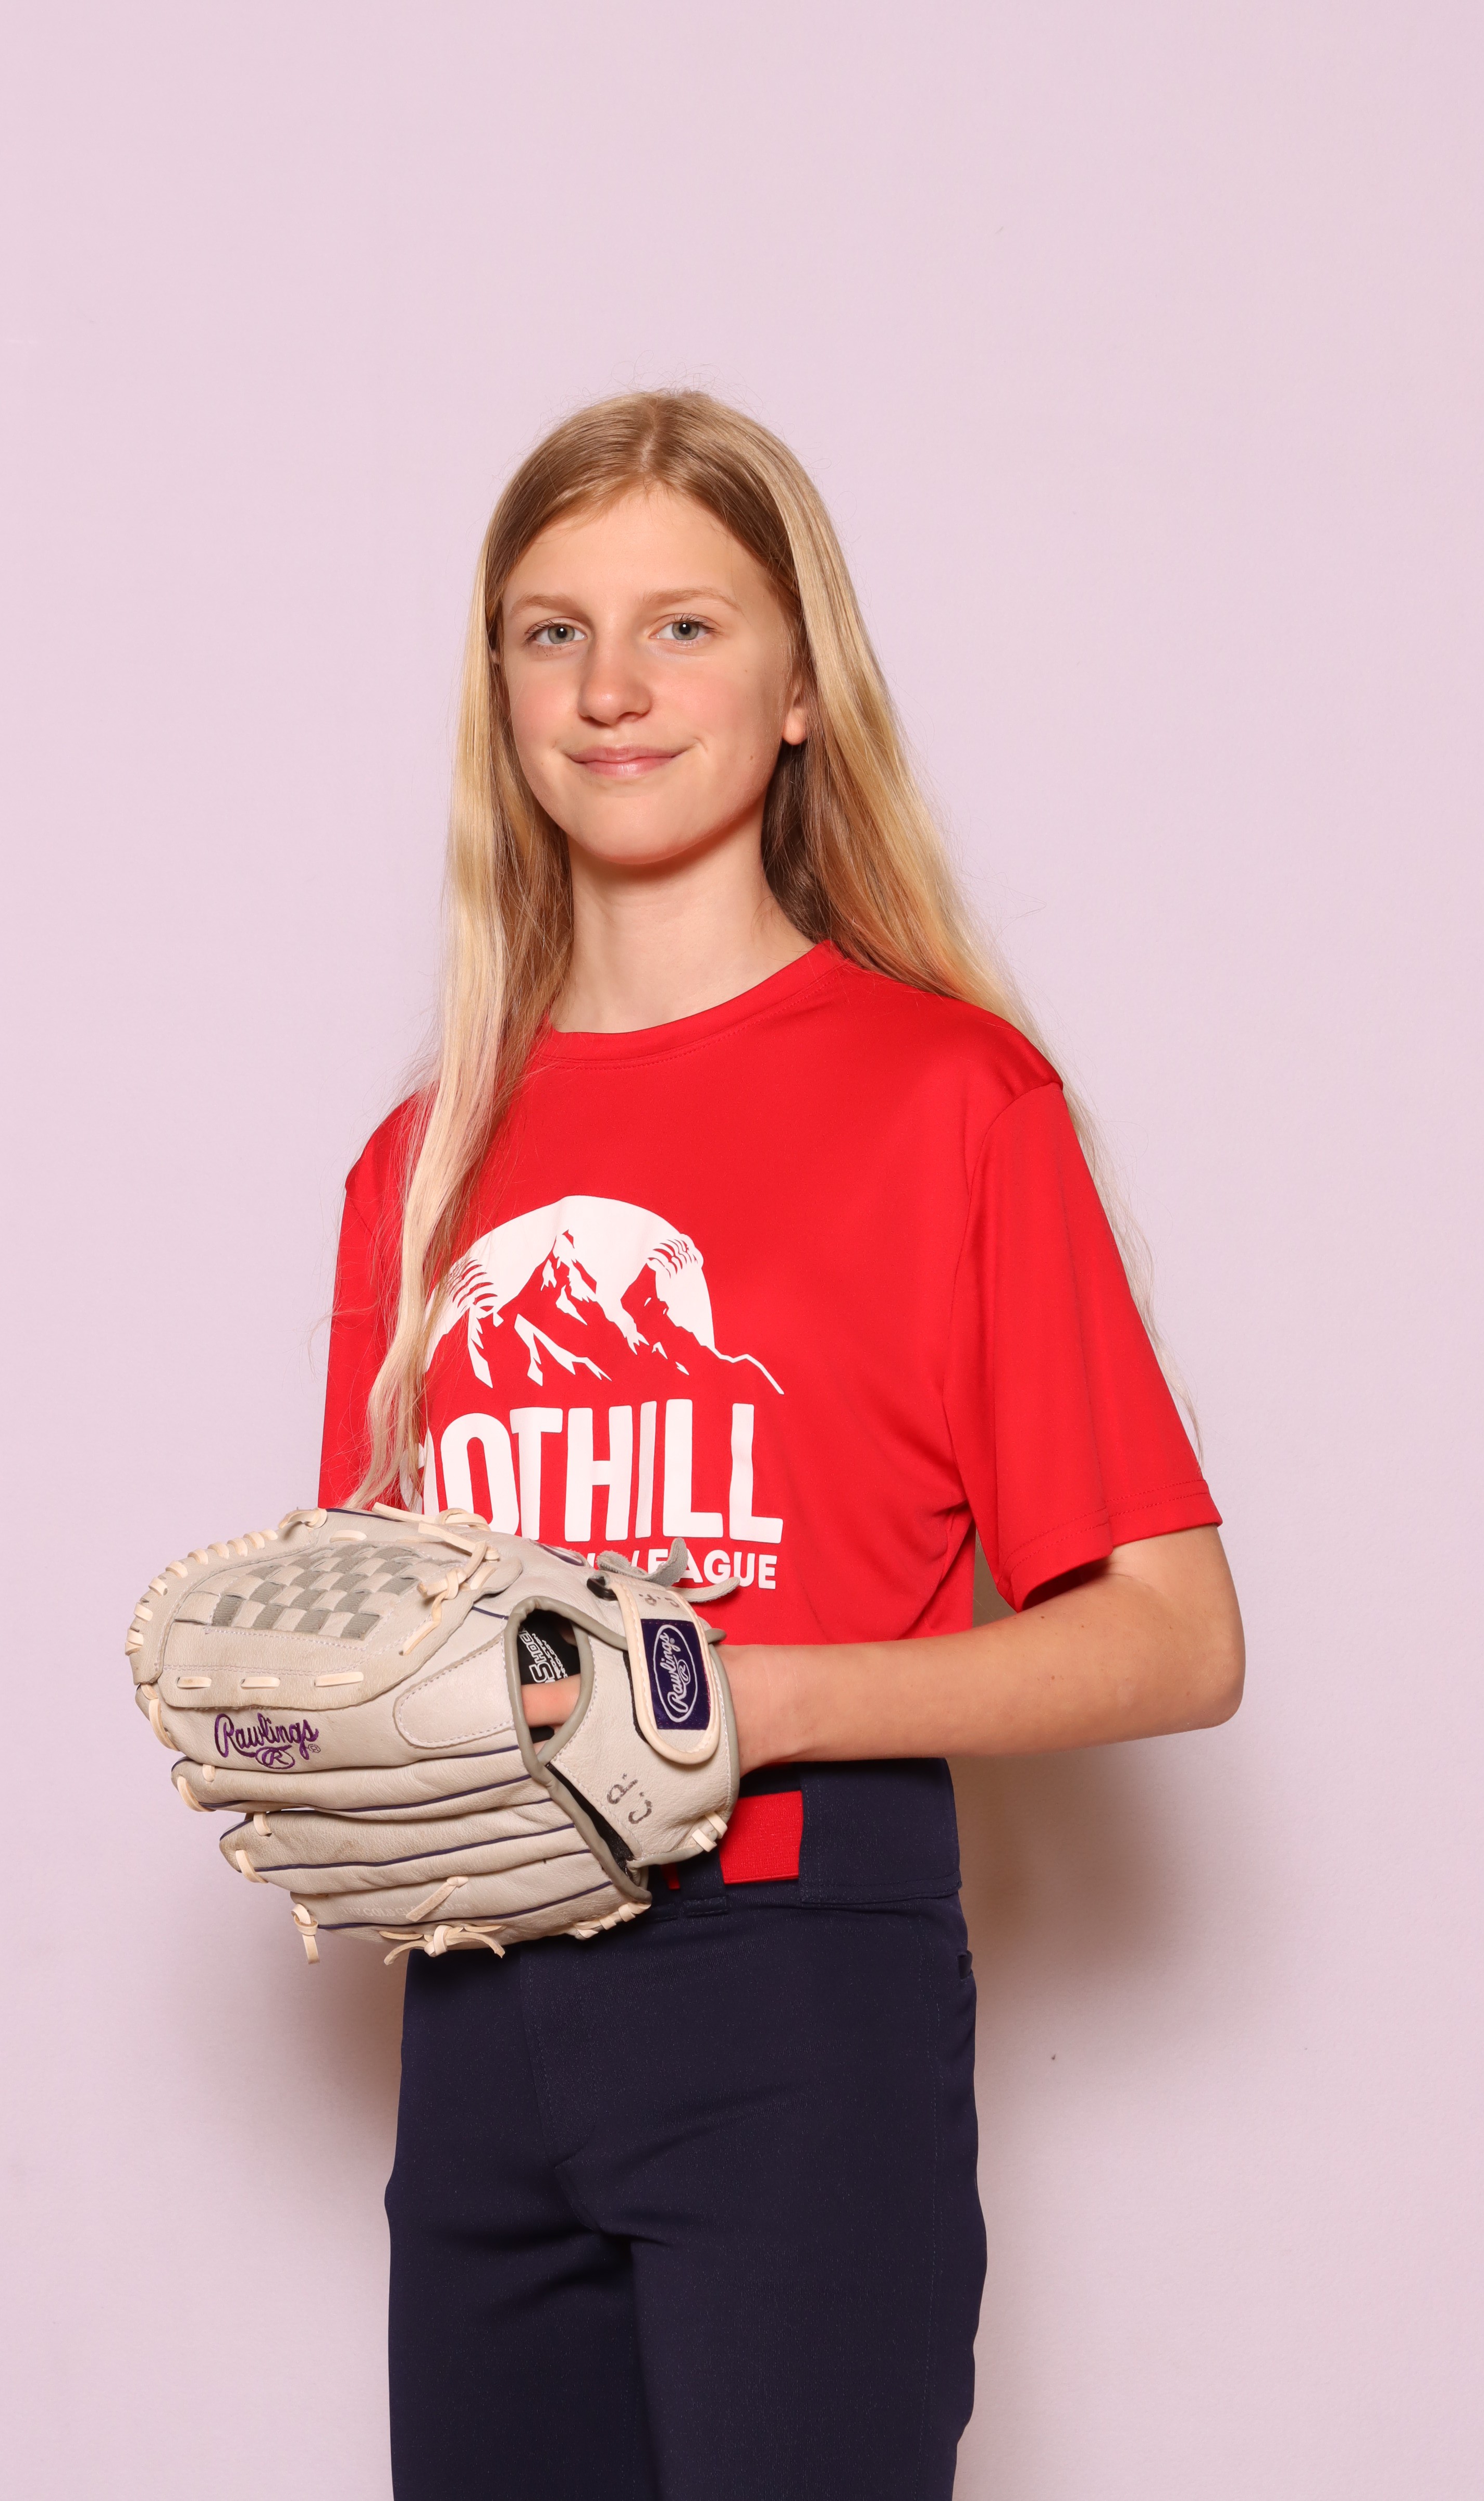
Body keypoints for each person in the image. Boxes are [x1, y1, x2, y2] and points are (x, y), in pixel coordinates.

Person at [318, 391, 1244, 2501]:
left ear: (802, 685)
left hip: (794, 1992)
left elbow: (1176, 1638)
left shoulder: (950, 1101)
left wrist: (742, 1698)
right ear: (500, 694)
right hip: (481, 2011)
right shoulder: (420, 1160)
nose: (611, 689)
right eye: (551, 633)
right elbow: (405, 1638)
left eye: (685, 626)